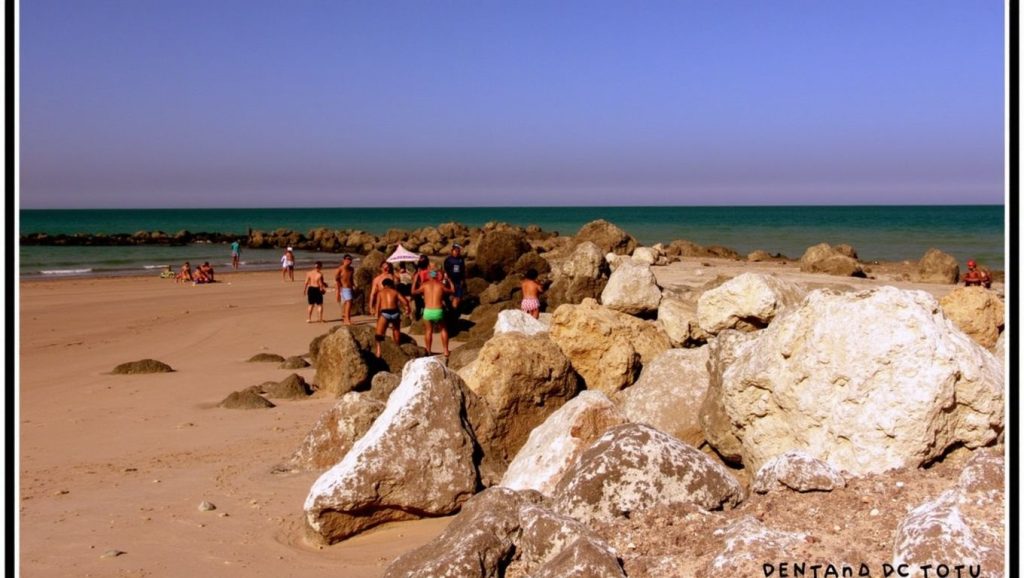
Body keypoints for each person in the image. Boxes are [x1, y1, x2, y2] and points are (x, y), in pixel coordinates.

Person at [412, 268, 454, 359]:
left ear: (428, 276)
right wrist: (450, 281)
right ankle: (446, 350)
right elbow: (452, 291)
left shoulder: (424, 285)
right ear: (436, 276)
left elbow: (413, 292)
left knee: (428, 331)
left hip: (428, 311)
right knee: (443, 329)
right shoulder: (441, 285)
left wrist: (415, 281)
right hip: (438, 310)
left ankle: (428, 350)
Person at [373, 278, 411, 357]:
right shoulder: (395, 292)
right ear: (391, 285)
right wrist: (407, 309)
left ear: (383, 285)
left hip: (384, 313)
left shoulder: (380, 293)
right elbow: (405, 301)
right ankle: (397, 347)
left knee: (379, 334)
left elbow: (378, 305)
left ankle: (378, 351)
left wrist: (376, 314)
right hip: (395, 313)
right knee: (396, 331)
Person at [443, 243, 468, 312]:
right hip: (450, 281)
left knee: (458, 298)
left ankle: (454, 310)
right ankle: (451, 310)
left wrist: (464, 281)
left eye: (458, 251)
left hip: (458, 281)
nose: (457, 252)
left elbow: (463, 270)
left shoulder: (461, 259)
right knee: (448, 297)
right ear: (452, 251)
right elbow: (445, 271)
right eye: (455, 251)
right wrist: (445, 280)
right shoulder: (448, 260)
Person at [334, 254, 355, 325]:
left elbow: (351, 279)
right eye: (347, 259)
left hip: (349, 288)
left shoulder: (352, 269)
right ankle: (347, 319)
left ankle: (345, 318)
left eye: (350, 259)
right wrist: (338, 290)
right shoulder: (340, 269)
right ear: (343, 260)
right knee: (348, 303)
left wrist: (353, 286)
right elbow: (336, 280)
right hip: (344, 288)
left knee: (347, 304)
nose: (348, 261)